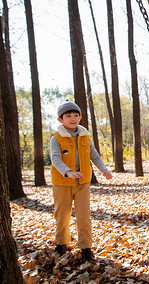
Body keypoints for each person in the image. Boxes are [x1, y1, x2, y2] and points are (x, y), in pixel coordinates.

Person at [50, 100, 112, 261]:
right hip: (62, 182)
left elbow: (94, 155)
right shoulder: (56, 138)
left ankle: (86, 248)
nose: (72, 118)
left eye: (76, 115)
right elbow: (55, 159)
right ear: (60, 119)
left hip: (82, 183)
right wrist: (68, 172)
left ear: (80, 117)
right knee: (62, 215)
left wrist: (104, 169)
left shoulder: (85, 136)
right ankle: (61, 243)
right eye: (68, 115)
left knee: (84, 215)